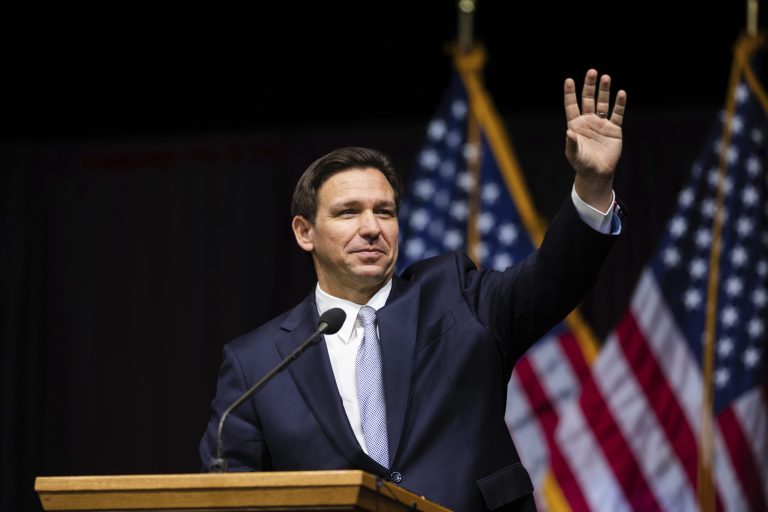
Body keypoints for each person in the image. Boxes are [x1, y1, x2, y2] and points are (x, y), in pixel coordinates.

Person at [200, 69, 627, 512]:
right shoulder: (256, 364)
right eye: (348, 213)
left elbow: (553, 279)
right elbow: (232, 492)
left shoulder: (458, 297)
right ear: (304, 231)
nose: (371, 228)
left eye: (383, 211)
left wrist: (592, 186)